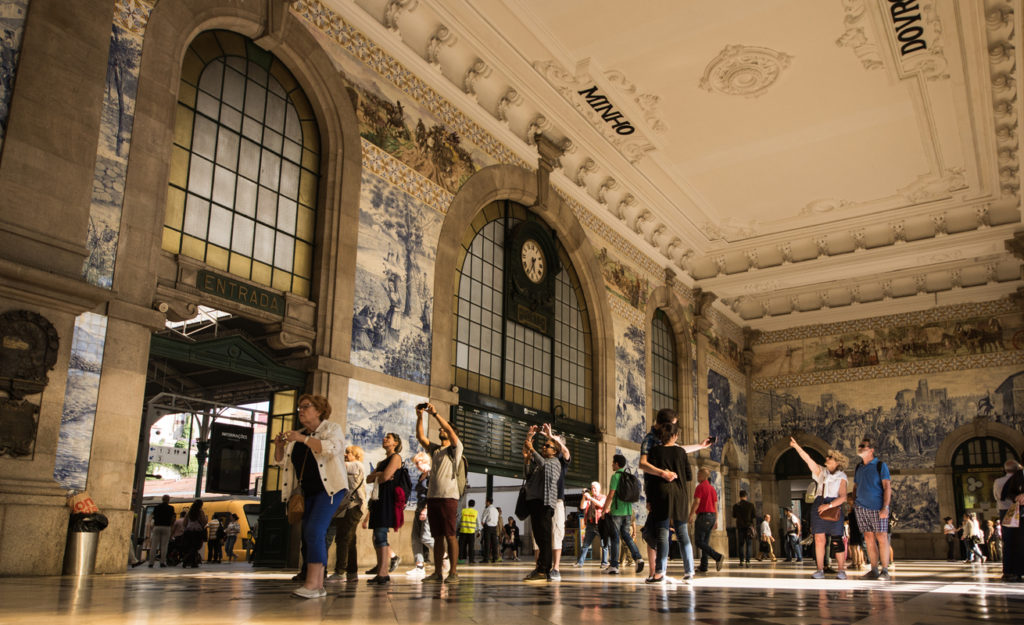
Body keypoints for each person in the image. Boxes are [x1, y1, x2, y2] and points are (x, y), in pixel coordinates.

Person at [274, 393, 347, 598]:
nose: (301, 411)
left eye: (306, 406)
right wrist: (280, 446)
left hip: (330, 489)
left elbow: (331, 449)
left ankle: (313, 585)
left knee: (315, 530)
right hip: (307, 492)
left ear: (319, 410)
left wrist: (303, 439)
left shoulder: (331, 429)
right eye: (299, 408)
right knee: (310, 534)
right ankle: (317, 584)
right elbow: (282, 463)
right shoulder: (297, 435)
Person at [416, 401, 463, 583]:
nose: (441, 430)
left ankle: (453, 572)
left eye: (445, 429)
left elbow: (451, 432)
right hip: (433, 496)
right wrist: (420, 416)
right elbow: (421, 437)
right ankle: (437, 572)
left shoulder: (455, 449)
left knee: (450, 535)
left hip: (449, 497)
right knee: (437, 536)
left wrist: (435, 414)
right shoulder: (436, 450)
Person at [790, 437, 848, 579]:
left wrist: (828, 505)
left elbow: (843, 497)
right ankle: (820, 569)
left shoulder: (842, 476)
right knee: (819, 539)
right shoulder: (821, 472)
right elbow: (808, 459)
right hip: (819, 504)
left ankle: (841, 570)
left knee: (836, 540)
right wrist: (797, 447)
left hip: (833, 506)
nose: (827, 458)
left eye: (830, 457)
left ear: (837, 462)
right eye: (827, 456)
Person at [644, 421, 695, 583]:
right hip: (680, 495)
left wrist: (650, 499)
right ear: (675, 436)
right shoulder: (681, 452)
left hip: (661, 495)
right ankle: (689, 571)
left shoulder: (655, 451)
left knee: (663, 534)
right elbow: (688, 476)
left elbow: (650, 478)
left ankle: (659, 572)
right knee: (682, 533)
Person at [522, 423, 563, 581]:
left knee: (545, 539)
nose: (544, 447)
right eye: (543, 446)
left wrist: (532, 450)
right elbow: (528, 476)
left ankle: (543, 570)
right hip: (534, 503)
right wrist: (527, 460)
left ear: (555, 451)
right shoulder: (540, 464)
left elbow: (545, 467)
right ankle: (540, 568)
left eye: (547, 446)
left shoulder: (554, 463)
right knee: (539, 538)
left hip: (545, 504)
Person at [366, 432, 405, 585]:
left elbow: (384, 477)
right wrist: (380, 474)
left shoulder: (396, 457)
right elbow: (369, 478)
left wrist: (379, 475)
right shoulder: (382, 461)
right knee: (377, 534)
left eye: (388, 438)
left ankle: (383, 572)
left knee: (381, 534)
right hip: (378, 499)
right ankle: (381, 570)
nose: (384, 439)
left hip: (387, 500)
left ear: (395, 443)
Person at [853, 437, 892, 580]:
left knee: (881, 537)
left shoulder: (880, 466)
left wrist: (885, 507)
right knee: (868, 538)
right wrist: (855, 503)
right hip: (861, 508)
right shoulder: (859, 467)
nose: (860, 447)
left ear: (871, 450)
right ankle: (874, 569)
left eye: (863, 446)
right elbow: (856, 486)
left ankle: (885, 570)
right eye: (859, 446)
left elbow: (887, 487)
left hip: (878, 507)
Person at [330, 445, 367, 582]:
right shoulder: (354, 466)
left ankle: (340, 571)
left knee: (343, 539)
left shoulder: (356, 465)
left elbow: (339, 464)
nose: (345, 455)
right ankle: (352, 573)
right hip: (348, 506)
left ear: (356, 455)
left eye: (348, 452)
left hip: (353, 506)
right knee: (349, 540)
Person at [603, 454, 644, 574]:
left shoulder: (616, 476)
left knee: (615, 538)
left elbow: (611, 495)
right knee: (626, 535)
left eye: (613, 463)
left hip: (617, 511)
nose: (611, 465)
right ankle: (638, 558)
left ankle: (614, 566)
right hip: (628, 512)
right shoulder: (628, 476)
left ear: (616, 464)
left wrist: (605, 509)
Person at [689, 468, 724, 573]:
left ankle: (717, 556)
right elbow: (715, 505)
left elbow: (697, 502)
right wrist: (716, 520)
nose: (697, 477)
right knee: (705, 542)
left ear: (704, 476)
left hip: (703, 517)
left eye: (698, 475)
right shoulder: (712, 489)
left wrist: (691, 514)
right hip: (712, 516)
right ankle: (704, 566)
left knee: (698, 541)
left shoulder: (700, 487)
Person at [406, 451, 434, 578]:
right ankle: (419, 566)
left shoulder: (431, 474)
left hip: (428, 509)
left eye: (418, 463)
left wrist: (426, 509)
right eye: (416, 463)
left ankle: (444, 555)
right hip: (419, 508)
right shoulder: (422, 476)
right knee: (415, 538)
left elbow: (433, 493)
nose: (416, 465)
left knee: (425, 537)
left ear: (425, 461)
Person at [996, 459, 1023, 582]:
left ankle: (1009, 570)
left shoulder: (998, 481)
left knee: (1010, 542)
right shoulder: (1017, 477)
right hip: (1016, 512)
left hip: (1006, 512)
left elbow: (999, 496)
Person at [575, 483, 607, 567]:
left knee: (604, 545)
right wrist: (584, 497)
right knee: (585, 545)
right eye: (592, 488)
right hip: (590, 524)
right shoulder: (589, 499)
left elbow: (600, 504)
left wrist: (590, 498)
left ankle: (604, 563)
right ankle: (580, 563)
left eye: (595, 488)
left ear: (599, 489)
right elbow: (582, 507)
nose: (593, 490)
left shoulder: (603, 497)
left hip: (600, 524)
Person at [148, 494, 175, 568]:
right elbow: (173, 519)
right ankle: (162, 562)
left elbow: (153, 516)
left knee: (154, 546)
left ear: (162, 499)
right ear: (168, 500)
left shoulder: (157, 507)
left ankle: (151, 563)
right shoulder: (171, 508)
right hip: (166, 527)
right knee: (164, 546)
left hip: (157, 526)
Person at [732, 490, 756, 568]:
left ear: (739, 496)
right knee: (749, 544)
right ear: (746, 496)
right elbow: (754, 515)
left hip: (740, 527)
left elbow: (734, 516)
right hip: (748, 526)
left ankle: (741, 560)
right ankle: (748, 561)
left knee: (741, 544)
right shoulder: (751, 505)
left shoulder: (736, 506)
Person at [182, 500, 207, 568]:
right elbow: (204, 521)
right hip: (197, 532)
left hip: (188, 532)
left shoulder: (189, 512)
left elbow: (184, 523)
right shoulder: (200, 512)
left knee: (191, 547)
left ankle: (193, 562)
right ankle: (186, 559)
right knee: (196, 547)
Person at [458, 499, 480, 564]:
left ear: (468, 504)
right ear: (474, 505)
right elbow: (478, 522)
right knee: (471, 546)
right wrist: (479, 531)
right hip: (471, 532)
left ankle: (461, 558)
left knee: (462, 546)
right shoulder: (475, 512)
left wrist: (458, 527)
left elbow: (459, 520)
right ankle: (471, 560)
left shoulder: (463, 511)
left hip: (463, 531)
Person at [481, 498, 500, 563]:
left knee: (487, 543)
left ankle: (486, 558)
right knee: (494, 543)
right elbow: (497, 520)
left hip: (488, 527)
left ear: (488, 502)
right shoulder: (496, 510)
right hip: (494, 527)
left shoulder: (487, 509)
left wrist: (485, 527)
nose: (485, 503)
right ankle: (495, 558)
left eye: (485, 502)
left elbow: (483, 520)